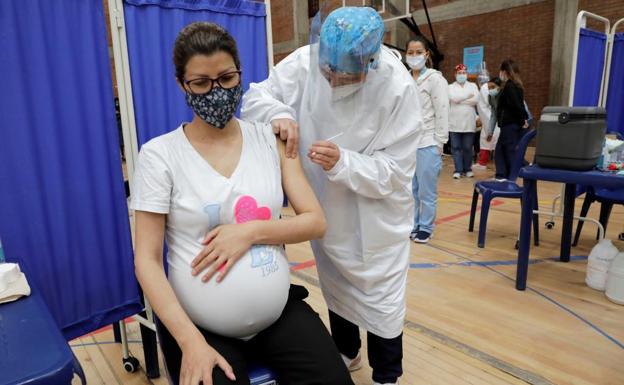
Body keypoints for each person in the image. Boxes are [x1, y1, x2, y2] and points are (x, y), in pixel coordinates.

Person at [131, 22, 353, 385]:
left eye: (226, 78)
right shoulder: (160, 156)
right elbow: (147, 260)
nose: (216, 91)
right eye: (201, 83)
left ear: (240, 74)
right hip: (199, 326)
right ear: (181, 85)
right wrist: (190, 341)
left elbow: (315, 221)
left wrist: (249, 232)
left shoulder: (272, 140)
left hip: (278, 316)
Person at [241, 7, 423, 385]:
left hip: (377, 217)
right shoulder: (306, 62)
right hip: (327, 207)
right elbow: (258, 96)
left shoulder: (396, 86)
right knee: (337, 286)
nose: (332, 79)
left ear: (368, 62)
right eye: (328, 69)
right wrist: (278, 113)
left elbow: (395, 171)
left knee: (383, 300)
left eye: (343, 73)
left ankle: (387, 374)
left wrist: (345, 163)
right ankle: (347, 351)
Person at [405, 36, 449, 243]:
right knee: (410, 189)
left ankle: (426, 227)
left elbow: (442, 111)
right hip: (408, 144)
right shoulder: (404, 78)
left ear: (427, 54)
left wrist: (440, 142)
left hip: (428, 142)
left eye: (418, 52)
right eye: (410, 52)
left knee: (426, 190)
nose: (414, 56)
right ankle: (413, 224)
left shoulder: (434, 79)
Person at [494, 59, 528, 181]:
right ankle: (504, 174)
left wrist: (522, 120)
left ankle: (509, 176)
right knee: (502, 149)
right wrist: (523, 118)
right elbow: (520, 105)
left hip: (510, 123)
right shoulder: (516, 86)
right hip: (511, 123)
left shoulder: (510, 87)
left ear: (504, 71)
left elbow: (517, 105)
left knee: (507, 150)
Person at [448, 63, 479, 179]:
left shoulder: (473, 86)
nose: (462, 75)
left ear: (467, 74)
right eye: (459, 73)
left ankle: (468, 169)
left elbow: (476, 100)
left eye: (464, 73)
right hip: (454, 122)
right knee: (455, 147)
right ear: (455, 74)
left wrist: (459, 100)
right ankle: (458, 170)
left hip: (468, 122)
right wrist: (467, 97)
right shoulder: (450, 87)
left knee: (467, 147)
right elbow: (453, 98)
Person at [474, 77, 501, 169]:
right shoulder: (485, 88)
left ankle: (486, 163)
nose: (493, 89)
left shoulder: (488, 88)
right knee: (486, 140)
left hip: (490, 118)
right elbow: (489, 102)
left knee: (493, 140)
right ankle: (482, 162)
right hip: (487, 117)